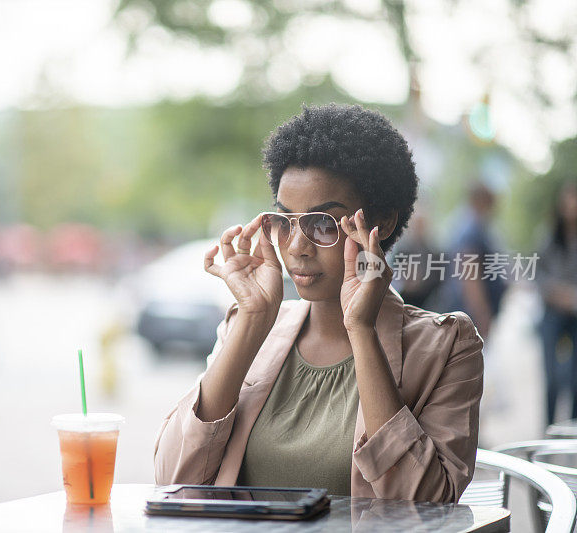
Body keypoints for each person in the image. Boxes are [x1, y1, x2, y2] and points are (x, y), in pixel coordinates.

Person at [153, 104, 484, 503]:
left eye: (323, 224)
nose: (297, 248)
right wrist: (254, 319)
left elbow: (426, 505)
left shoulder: (447, 346)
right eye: (286, 221)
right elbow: (172, 478)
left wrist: (361, 330)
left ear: (381, 223)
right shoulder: (251, 327)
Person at [441, 183, 507, 340]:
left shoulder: (469, 226)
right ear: (480, 201)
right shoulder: (471, 230)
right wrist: (482, 314)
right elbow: (470, 276)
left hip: (467, 312)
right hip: (469, 314)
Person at [536, 181, 577, 426]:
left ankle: (571, 435)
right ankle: (549, 430)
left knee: (574, 381)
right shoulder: (549, 236)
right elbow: (539, 277)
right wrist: (562, 294)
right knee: (552, 379)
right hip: (552, 313)